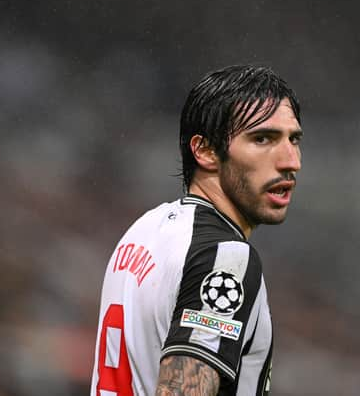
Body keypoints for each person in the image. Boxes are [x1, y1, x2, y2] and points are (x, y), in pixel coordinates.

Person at [90, 64, 302, 395]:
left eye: (294, 139)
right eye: (263, 138)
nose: (291, 161)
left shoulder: (143, 231)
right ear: (204, 150)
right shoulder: (227, 258)